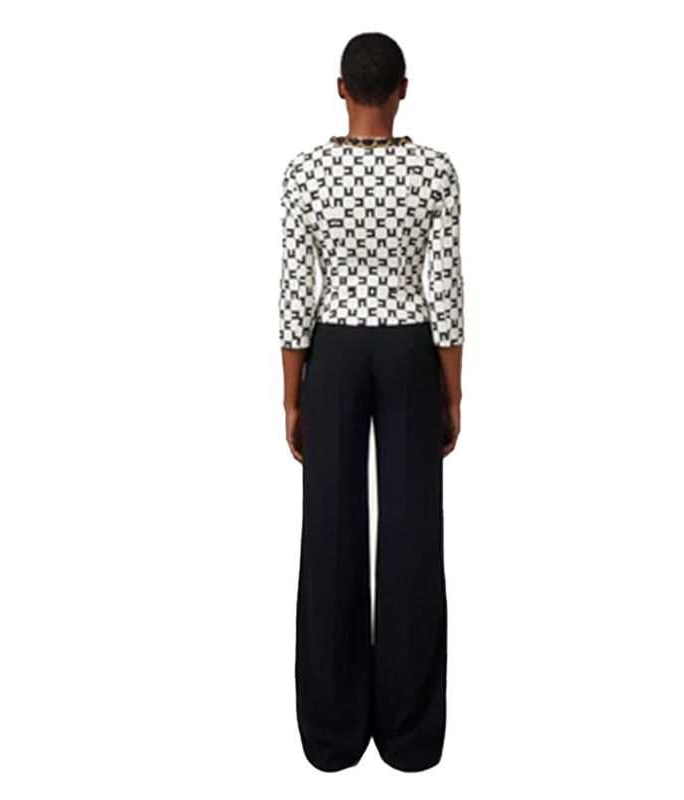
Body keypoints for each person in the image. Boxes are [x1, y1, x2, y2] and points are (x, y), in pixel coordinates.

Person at [278, 32, 464, 773]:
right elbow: (444, 289)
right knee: (414, 533)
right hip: (410, 349)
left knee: (329, 531)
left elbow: (296, 289)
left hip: (334, 354)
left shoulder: (306, 173)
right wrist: (452, 389)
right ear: (403, 89)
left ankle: (332, 734)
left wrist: (291, 396)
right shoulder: (434, 172)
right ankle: (410, 736)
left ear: (341, 88)